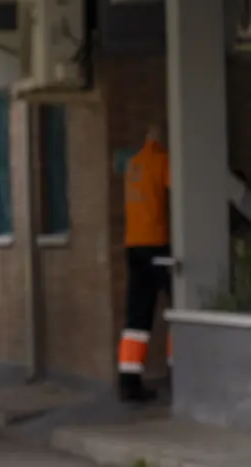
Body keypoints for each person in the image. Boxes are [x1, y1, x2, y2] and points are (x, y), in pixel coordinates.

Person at [117, 122, 173, 402]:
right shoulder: (163, 161)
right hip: (158, 244)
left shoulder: (133, 165)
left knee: (137, 316)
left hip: (133, 246)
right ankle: (179, 372)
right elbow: (179, 194)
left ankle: (129, 381)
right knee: (180, 307)